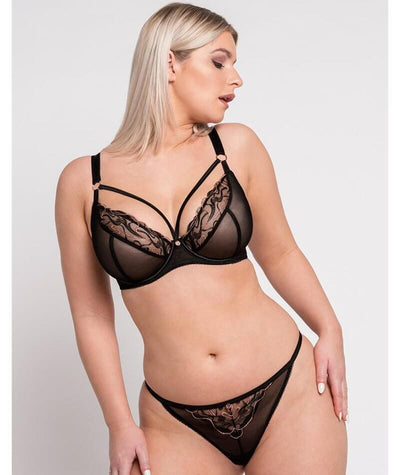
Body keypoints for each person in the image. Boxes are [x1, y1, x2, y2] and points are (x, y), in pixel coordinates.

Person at [55, 3, 348, 474]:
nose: (236, 78)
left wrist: (329, 328)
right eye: (219, 61)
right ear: (170, 63)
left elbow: (280, 252)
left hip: (289, 394)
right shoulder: (83, 183)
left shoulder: (235, 147)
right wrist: (119, 423)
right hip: (174, 423)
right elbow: (91, 315)